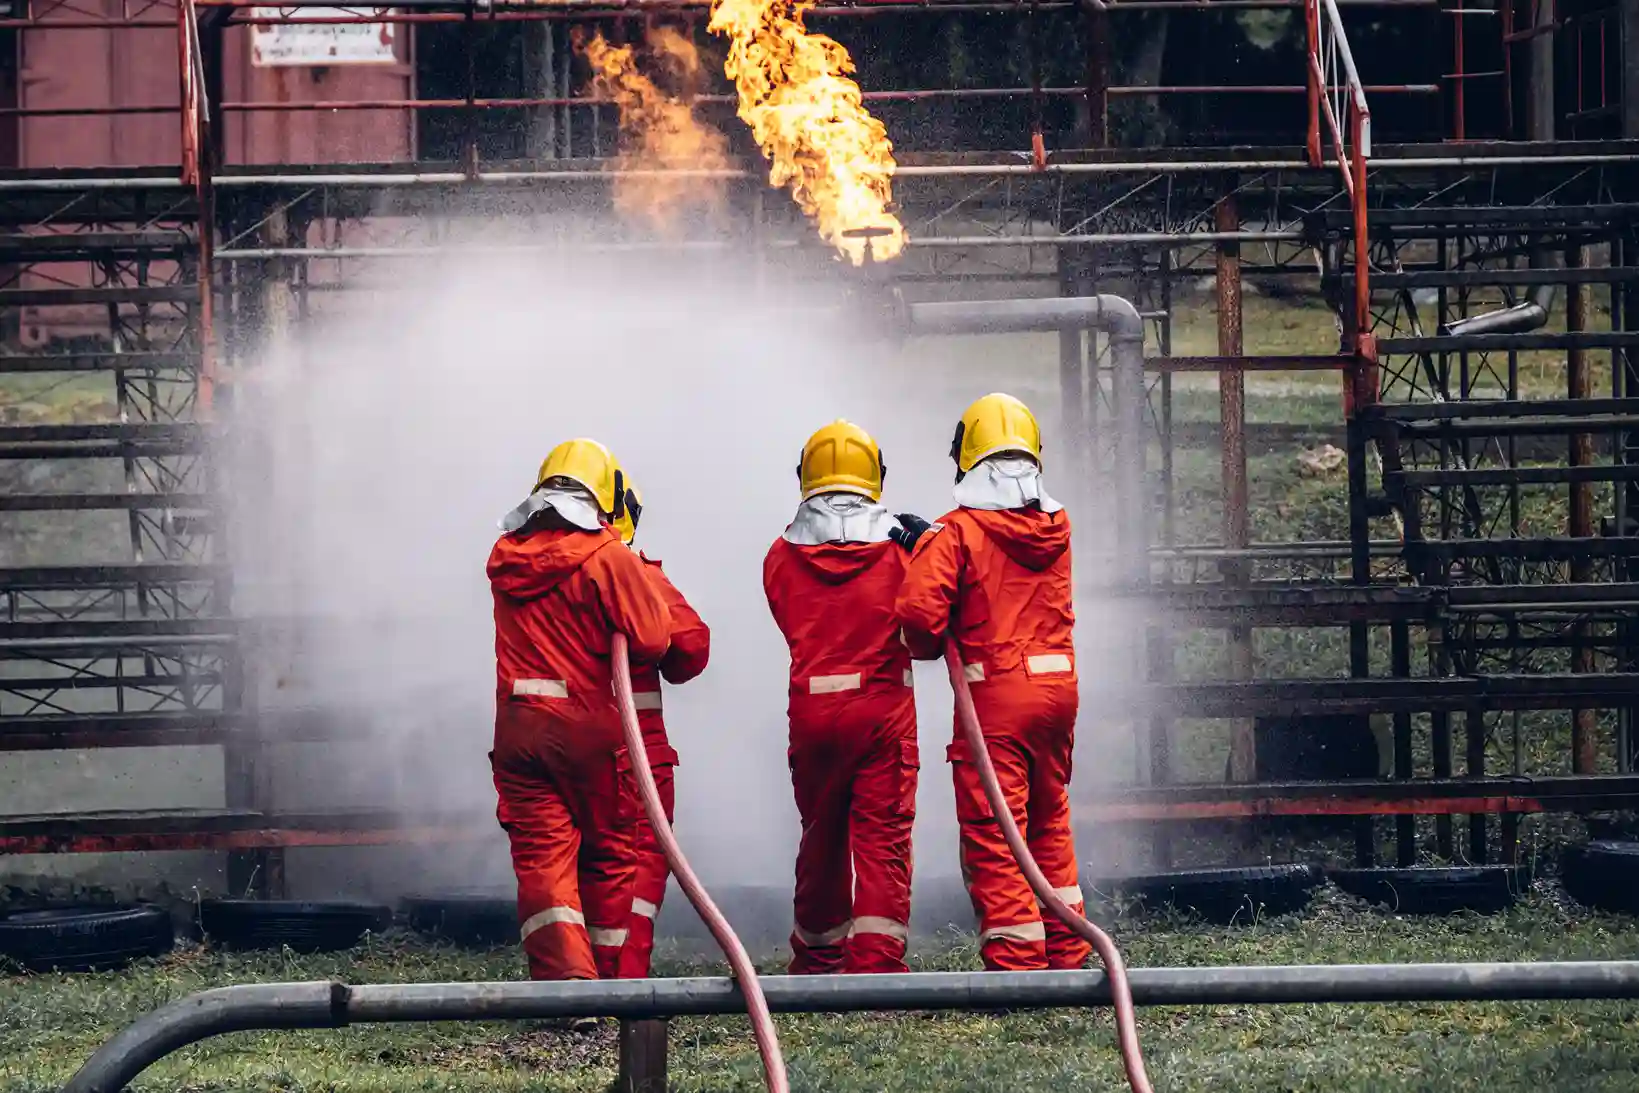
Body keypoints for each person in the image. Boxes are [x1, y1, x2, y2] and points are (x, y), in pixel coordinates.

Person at [895, 393, 1091, 973]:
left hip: (995, 702)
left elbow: (920, 622)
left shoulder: (956, 533)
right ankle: (1067, 948)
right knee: (1049, 816)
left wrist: (923, 549)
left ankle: (1018, 962)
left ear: (966, 460)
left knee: (994, 829)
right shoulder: (1057, 523)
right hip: (1058, 693)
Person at [488, 438, 672, 982]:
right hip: (587, 730)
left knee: (542, 860)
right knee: (610, 855)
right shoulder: (607, 558)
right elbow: (656, 639)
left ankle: (567, 989)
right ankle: (614, 983)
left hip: (519, 727)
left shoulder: (503, 554)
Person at [762, 420, 926, 975]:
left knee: (820, 834)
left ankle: (817, 957)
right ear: (875, 477)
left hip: (812, 714)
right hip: (881, 714)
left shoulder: (780, 557)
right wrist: (926, 545)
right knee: (880, 839)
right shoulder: (900, 557)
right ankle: (876, 966)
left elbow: (789, 619)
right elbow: (929, 621)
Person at [611, 475, 713, 978]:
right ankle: (622, 980)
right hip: (637, 758)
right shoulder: (631, 572)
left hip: (563, 753)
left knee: (571, 862)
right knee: (640, 865)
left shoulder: (526, 568)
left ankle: (571, 980)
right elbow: (691, 648)